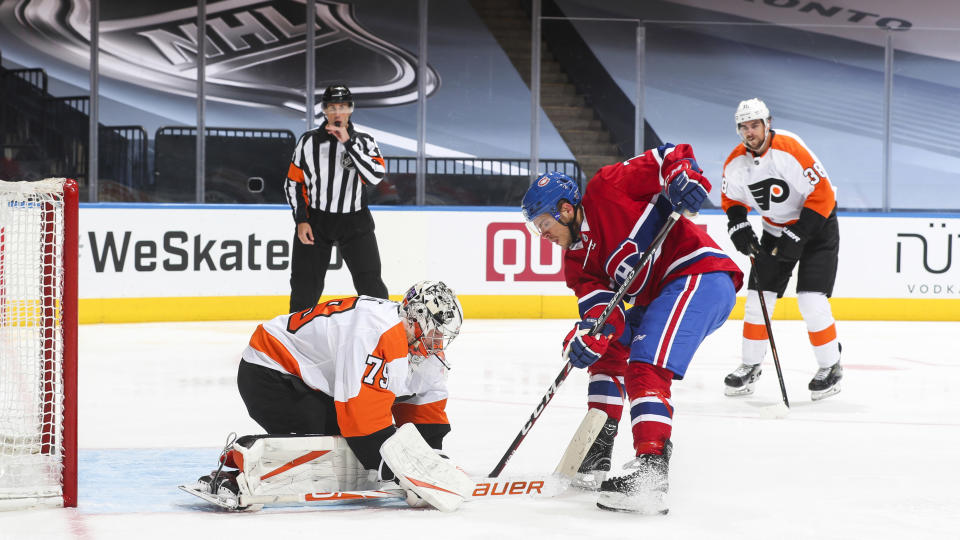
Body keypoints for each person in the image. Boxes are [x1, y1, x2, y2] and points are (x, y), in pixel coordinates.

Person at [520, 146, 744, 515]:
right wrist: (584, 337)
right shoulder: (577, 264)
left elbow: (668, 156)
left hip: (697, 275)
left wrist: (680, 178)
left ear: (564, 209)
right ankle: (597, 445)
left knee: (645, 364)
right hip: (658, 296)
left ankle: (652, 472)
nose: (542, 234)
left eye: (543, 224)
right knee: (608, 349)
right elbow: (605, 319)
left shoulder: (606, 188)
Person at [191, 281, 472, 511]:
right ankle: (235, 469)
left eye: (443, 336)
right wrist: (401, 472)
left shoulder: (421, 345)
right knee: (325, 444)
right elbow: (360, 421)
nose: (438, 342)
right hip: (269, 371)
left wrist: (431, 456)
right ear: (416, 317)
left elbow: (424, 401)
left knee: (347, 445)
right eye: (434, 331)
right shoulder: (373, 333)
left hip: (312, 380)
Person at [720, 98, 842, 401]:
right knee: (757, 299)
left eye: (755, 125)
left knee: (811, 300)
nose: (750, 132)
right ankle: (750, 365)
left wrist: (799, 233)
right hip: (775, 230)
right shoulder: (736, 161)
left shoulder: (790, 149)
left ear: (767, 123)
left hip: (817, 227)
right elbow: (732, 200)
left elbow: (823, 196)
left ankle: (831, 366)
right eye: (744, 127)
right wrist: (738, 224)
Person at [285, 84, 389, 313]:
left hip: (355, 220)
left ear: (350, 109)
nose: (337, 112)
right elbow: (293, 182)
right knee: (304, 286)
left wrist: (348, 142)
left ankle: (384, 334)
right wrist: (301, 220)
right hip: (316, 220)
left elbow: (375, 177)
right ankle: (295, 340)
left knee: (371, 284)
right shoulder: (308, 141)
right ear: (324, 110)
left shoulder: (365, 141)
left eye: (342, 106)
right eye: (332, 107)